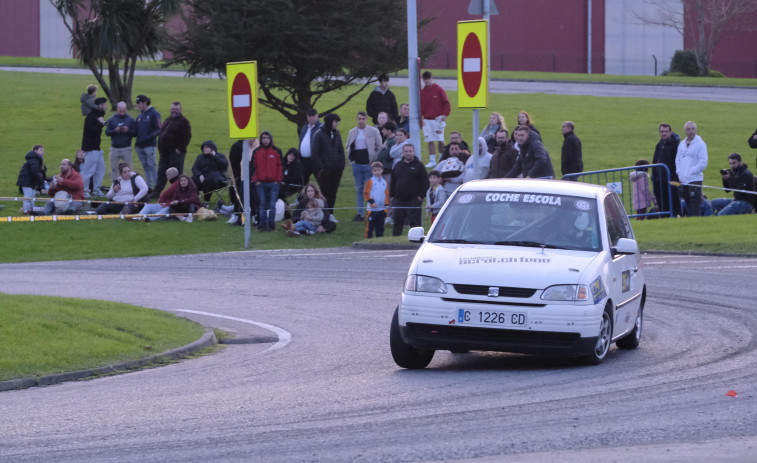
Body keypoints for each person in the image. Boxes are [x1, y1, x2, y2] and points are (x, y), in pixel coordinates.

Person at [345, 111, 383, 221]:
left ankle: (371, 211)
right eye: (359, 119)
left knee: (370, 189)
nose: (361, 121)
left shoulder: (373, 130)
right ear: (356, 120)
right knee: (359, 189)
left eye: (363, 119)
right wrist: (351, 159)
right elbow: (348, 145)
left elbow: (379, 146)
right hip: (356, 164)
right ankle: (360, 213)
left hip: (368, 164)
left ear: (366, 119)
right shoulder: (352, 132)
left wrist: (373, 158)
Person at [311, 113, 345, 222]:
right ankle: (324, 214)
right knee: (324, 193)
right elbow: (315, 153)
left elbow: (341, 150)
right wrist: (321, 168)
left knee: (333, 192)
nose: (337, 124)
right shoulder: (319, 134)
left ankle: (330, 213)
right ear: (330, 122)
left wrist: (341, 165)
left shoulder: (337, 133)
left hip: (336, 170)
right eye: (336, 122)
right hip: (325, 170)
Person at [390, 144, 429, 236]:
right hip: (399, 200)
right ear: (403, 153)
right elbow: (393, 181)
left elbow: (425, 182)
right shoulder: (398, 165)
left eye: (410, 151)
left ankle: (416, 240)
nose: (408, 153)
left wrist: (420, 196)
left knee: (415, 224)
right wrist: (392, 196)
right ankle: (395, 240)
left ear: (413, 152)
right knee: (397, 223)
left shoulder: (419, 166)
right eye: (406, 151)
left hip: (413, 200)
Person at [155, 101, 192, 196]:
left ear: (180, 110)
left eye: (176, 109)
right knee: (161, 172)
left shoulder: (184, 121)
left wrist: (179, 149)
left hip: (175, 153)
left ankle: (179, 191)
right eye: (173, 109)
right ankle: (157, 191)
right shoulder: (168, 119)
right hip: (165, 152)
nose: (174, 111)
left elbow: (187, 136)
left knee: (176, 173)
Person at [251, 131, 283, 232]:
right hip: (260, 183)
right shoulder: (256, 151)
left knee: (272, 205)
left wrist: (278, 180)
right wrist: (256, 180)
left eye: (267, 138)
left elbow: (281, 166)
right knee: (262, 204)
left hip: (273, 183)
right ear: (261, 139)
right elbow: (252, 167)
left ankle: (271, 225)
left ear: (271, 139)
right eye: (263, 138)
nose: (265, 140)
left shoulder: (277, 151)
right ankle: (263, 225)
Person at [675, 121, 708, 217]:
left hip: (695, 179)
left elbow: (703, 162)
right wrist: (679, 172)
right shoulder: (681, 145)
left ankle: (696, 221)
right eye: (688, 129)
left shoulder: (701, 144)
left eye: (693, 129)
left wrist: (692, 171)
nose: (691, 131)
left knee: (695, 204)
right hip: (684, 180)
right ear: (685, 131)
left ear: (696, 130)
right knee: (688, 203)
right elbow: (678, 160)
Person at [420, 71, 451, 168]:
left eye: (429, 79)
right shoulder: (422, 92)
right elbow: (420, 106)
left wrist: (445, 114)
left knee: (440, 140)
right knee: (430, 140)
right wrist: (421, 117)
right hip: (427, 120)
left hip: (438, 119)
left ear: (432, 79)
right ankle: (432, 160)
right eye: (425, 79)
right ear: (423, 80)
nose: (427, 81)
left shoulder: (439, 90)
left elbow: (446, 103)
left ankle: (442, 158)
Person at [652, 123, 682, 217]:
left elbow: (678, 162)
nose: (664, 133)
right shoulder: (659, 145)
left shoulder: (677, 145)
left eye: (666, 131)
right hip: (659, 180)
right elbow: (655, 161)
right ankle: (665, 218)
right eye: (662, 131)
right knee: (662, 203)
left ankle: (677, 217)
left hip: (672, 179)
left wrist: (675, 178)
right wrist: (654, 177)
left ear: (670, 132)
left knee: (674, 202)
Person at [80, 96, 108, 198]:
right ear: (100, 105)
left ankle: (96, 190)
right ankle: (84, 191)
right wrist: (101, 124)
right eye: (105, 104)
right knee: (88, 171)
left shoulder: (97, 116)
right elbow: (92, 131)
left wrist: (103, 123)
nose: (106, 106)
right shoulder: (91, 116)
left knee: (100, 169)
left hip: (97, 148)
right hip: (91, 148)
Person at [134, 94, 162, 192]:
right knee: (145, 166)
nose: (138, 105)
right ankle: (148, 186)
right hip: (139, 146)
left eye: (139, 103)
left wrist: (149, 137)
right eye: (137, 103)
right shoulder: (140, 115)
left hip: (150, 145)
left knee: (152, 165)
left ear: (145, 103)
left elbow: (159, 129)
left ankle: (156, 186)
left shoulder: (154, 113)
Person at [105, 101, 137, 182]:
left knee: (128, 168)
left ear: (126, 109)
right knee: (114, 168)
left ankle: (129, 184)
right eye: (120, 111)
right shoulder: (112, 119)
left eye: (124, 111)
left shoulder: (131, 120)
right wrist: (115, 131)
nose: (122, 113)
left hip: (126, 148)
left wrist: (128, 131)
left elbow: (135, 133)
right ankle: (115, 184)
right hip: (114, 148)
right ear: (117, 109)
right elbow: (107, 132)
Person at [191, 140, 228, 204]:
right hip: (202, 179)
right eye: (203, 147)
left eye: (207, 147)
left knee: (208, 180)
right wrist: (199, 175)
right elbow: (194, 168)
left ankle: (206, 201)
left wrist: (215, 156)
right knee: (192, 180)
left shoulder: (220, 156)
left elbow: (224, 164)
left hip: (217, 180)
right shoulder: (200, 157)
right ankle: (194, 200)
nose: (204, 149)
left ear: (212, 148)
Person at [16, 145, 47, 214]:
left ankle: (31, 210)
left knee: (32, 196)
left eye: (43, 150)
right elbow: (35, 172)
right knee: (28, 197)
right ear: (35, 151)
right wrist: (41, 185)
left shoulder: (37, 160)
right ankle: (26, 211)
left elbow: (42, 172)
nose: (43, 152)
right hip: (27, 181)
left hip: (31, 182)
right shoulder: (34, 160)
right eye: (41, 150)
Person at [363, 161, 389, 238]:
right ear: (372, 171)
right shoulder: (370, 181)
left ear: (382, 170)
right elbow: (366, 193)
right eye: (375, 170)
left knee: (380, 228)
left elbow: (386, 194)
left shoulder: (384, 182)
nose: (377, 172)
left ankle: (379, 241)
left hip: (382, 209)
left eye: (378, 170)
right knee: (370, 228)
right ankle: (367, 241)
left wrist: (386, 206)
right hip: (372, 210)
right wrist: (372, 202)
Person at [298, 108, 321, 186]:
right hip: (304, 161)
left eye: (312, 116)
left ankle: (325, 198)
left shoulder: (321, 128)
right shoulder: (305, 127)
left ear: (317, 116)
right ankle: (303, 198)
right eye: (309, 116)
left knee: (321, 182)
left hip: (315, 161)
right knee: (302, 183)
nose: (310, 118)